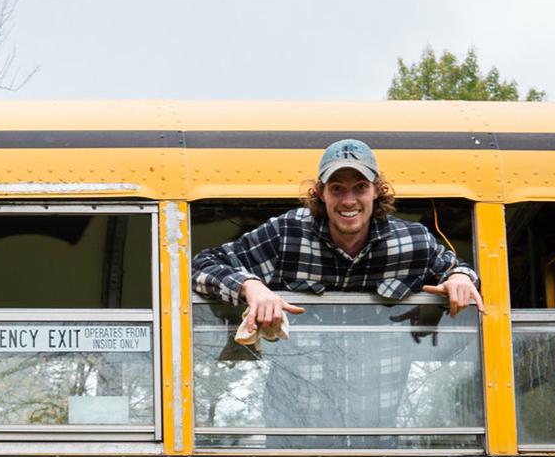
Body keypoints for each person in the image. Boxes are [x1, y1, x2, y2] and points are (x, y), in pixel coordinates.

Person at [192, 138, 484, 330]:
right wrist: (251, 287)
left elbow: (459, 271)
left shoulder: (413, 241)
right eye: (336, 188)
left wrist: (459, 278)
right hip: (293, 403)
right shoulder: (286, 234)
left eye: (360, 187)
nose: (348, 201)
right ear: (320, 192)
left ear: (376, 190)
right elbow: (201, 265)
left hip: (384, 400)